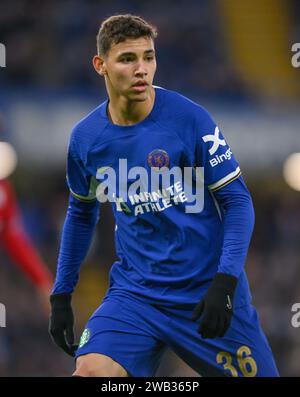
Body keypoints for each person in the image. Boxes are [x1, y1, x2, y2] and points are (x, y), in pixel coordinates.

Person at [49, 14, 279, 377]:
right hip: (135, 296)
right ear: (101, 65)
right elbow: (81, 214)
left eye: (149, 57)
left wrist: (226, 281)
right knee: (91, 371)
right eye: (127, 59)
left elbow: (237, 201)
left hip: (206, 293)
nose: (142, 69)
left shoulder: (189, 120)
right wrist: (62, 294)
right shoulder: (86, 139)